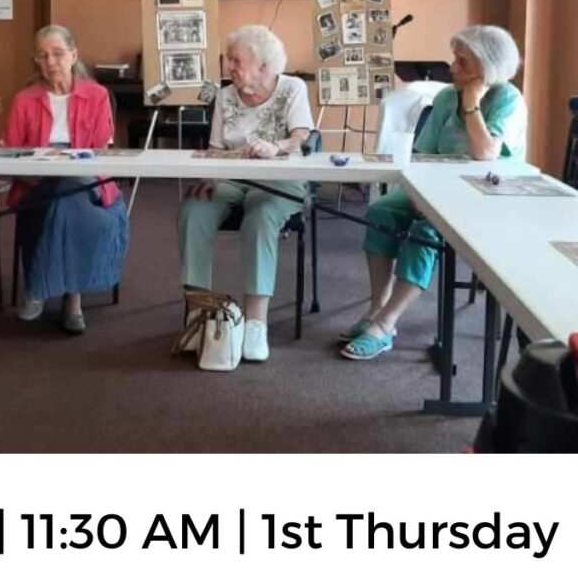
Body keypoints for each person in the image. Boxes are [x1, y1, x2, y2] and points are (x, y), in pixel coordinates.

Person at [342, 25, 525, 360]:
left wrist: (471, 103)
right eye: (455, 59)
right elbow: (421, 155)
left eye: (463, 62)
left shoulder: (508, 100)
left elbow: (486, 153)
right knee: (380, 211)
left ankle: (386, 324)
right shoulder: (444, 97)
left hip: (481, 198)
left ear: (489, 68)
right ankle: (375, 308)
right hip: (434, 187)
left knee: (424, 231)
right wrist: (419, 192)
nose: (452, 68)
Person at [178, 25, 314, 362]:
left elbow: (302, 136)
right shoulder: (225, 95)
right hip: (231, 177)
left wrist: (276, 146)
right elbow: (215, 148)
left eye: (237, 61)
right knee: (193, 209)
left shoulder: (291, 88)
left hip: (280, 179)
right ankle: (199, 315)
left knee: (261, 216)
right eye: (229, 60)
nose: (229, 67)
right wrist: (209, 175)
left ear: (264, 66)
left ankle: (256, 323)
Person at [3, 25, 129, 333]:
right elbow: (8, 155)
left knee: (66, 192)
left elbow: (100, 153)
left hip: (89, 183)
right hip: (36, 184)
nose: (50, 62)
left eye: (58, 54)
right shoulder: (24, 100)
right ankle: (73, 301)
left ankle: (39, 290)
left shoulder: (97, 95)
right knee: (60, 195)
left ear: (73, 55)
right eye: (43, 56)